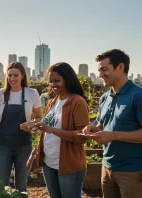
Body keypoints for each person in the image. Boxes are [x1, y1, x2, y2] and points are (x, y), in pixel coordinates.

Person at [83, 49, 142, 198]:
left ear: (120, 67)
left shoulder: (138, 95)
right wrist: (92, 129)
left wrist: (113, 136)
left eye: (104, 69)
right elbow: (102, 125)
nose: (100, 74)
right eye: (99, 70)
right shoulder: (105, 97)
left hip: (133, 171)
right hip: (107, 167)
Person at [0, 62, 42, 192]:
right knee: (1, 186)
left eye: (15, 75)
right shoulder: (0, 94)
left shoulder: (32, 94)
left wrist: (31, 124)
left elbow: (39, 117)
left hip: (24, 144)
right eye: (9, 75)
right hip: (3, 144)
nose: (12, 78)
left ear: (22, 75)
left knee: (21, 187)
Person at [35, 62, 89, 198]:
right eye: (50, 81)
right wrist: (36, 149)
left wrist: (52, 130)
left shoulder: (77, 102)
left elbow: (82, 136)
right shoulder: (53, 101)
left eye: (57, 81)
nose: (53, 85)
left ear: (68, 79)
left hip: (69, 165)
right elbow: (48, 128)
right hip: (49, 162)